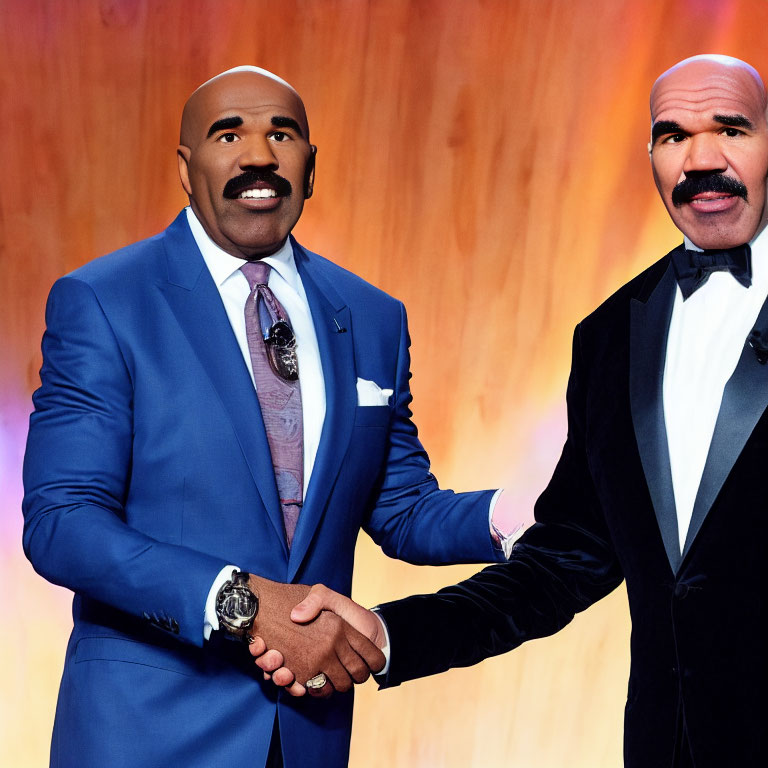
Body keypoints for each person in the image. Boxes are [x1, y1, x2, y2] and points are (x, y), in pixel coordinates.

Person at [255, 55, 768, 768]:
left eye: (732, 128)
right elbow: (567, 558)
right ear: (651, 154)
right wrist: (384, 633)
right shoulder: (610, 334)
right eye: (673, 135)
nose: (701, 159)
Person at [21, 66, 530, 768]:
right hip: (145, 737)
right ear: (185, 166)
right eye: (228, 133)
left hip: (306, 735)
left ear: (310, 167)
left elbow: (402, 509)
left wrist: (519, 509)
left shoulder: (374, 317)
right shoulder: (105, 301)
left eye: (281, 133)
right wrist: (243, 603)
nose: (258, 155)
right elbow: (63, 524)